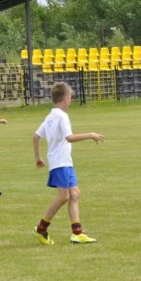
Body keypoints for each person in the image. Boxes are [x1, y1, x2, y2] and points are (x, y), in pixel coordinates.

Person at [32, 82, 104, 245]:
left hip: (64, 162)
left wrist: (38, 157)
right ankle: (41, 228)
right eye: (70, 98)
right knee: (64, 196)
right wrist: (90, 134)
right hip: (60, 162)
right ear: (66, 98)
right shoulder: (61, 116)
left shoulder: (50, 116)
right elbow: (69, 138)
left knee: (75, 194)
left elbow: (36, 137)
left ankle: (77, 233)